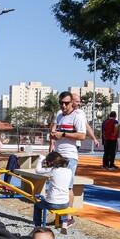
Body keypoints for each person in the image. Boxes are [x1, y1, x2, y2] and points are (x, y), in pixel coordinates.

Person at [48, 91, 86, 227]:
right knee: (57, 185)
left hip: (70, 155)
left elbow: (82, 136)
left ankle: (68, 217)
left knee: (67, 187)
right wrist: (53, 137)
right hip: (58, 154)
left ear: (72, 103)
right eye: (61, 103)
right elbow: (55, 132)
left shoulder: (77, 116)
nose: (63, 106)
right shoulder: (59, 115)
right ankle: (59, 216)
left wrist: (63, 134)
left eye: (66, 103)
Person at [32, 152, 73, 227]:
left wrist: (41, 159)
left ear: (50, 162)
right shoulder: (69, 171)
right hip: (65, 203)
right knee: (62, 202)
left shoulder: (52, 170)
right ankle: (64, 222)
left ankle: (37, 226)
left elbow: (37, 170)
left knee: (37, 205)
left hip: (52, 204)